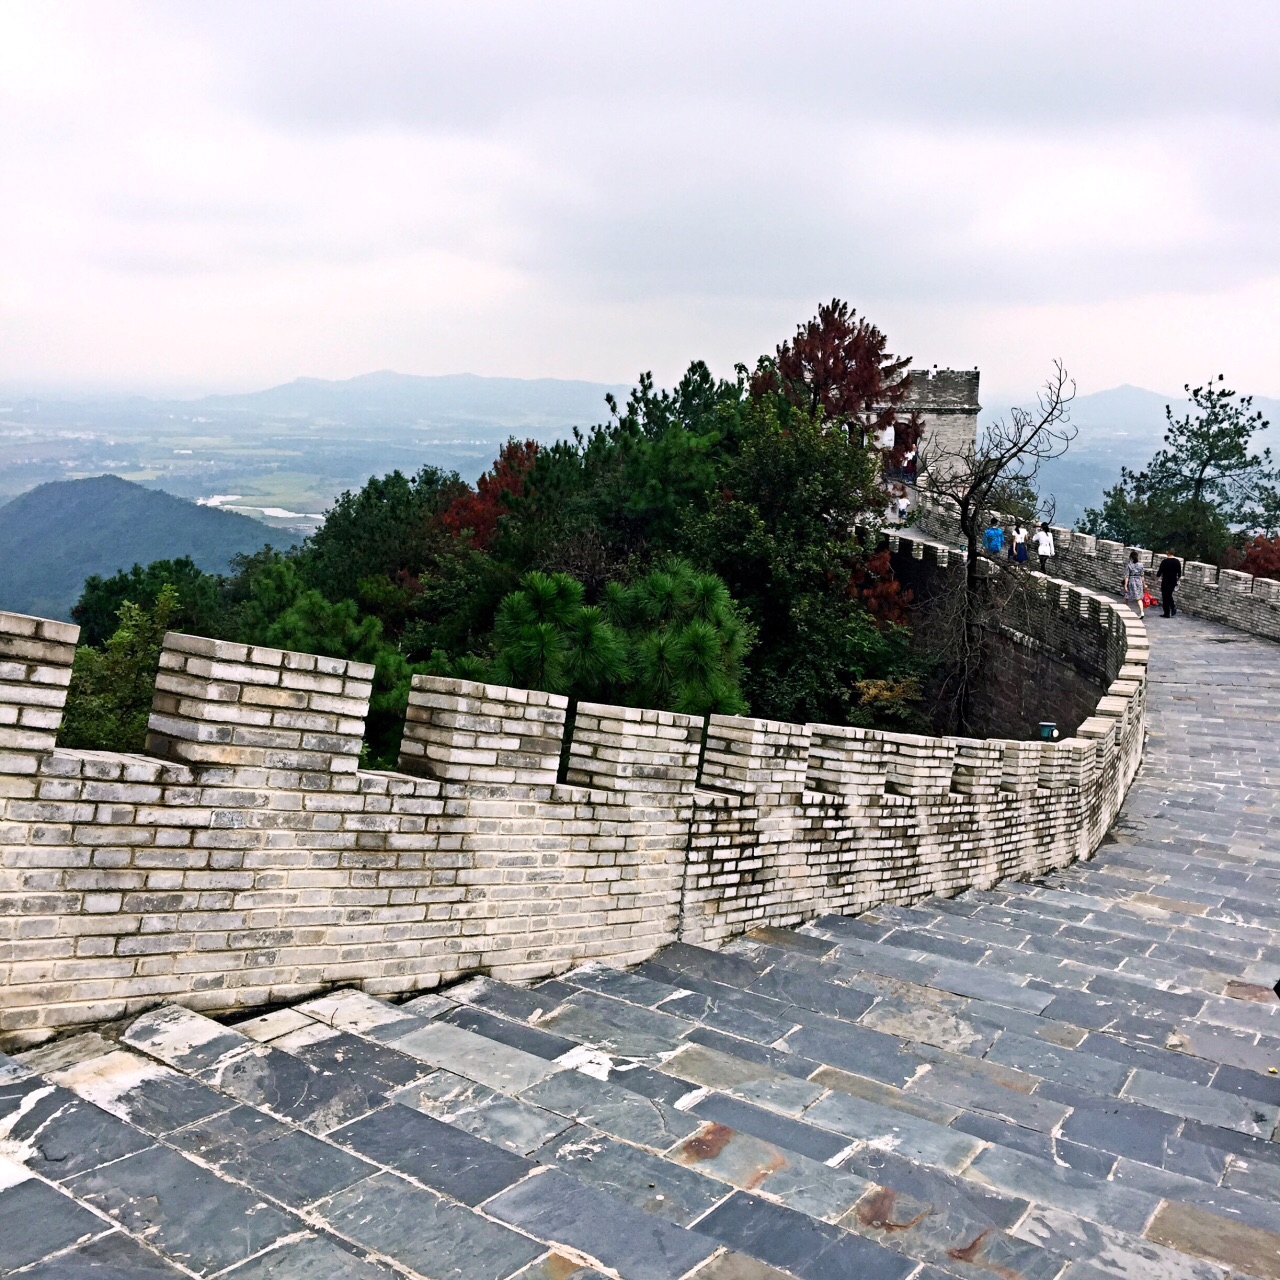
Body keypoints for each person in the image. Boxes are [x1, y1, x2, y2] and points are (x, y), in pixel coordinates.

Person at [1157, 551, 1182, 617]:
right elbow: (1179, 573)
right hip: (1173, 580)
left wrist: (1156, 580)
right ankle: (1172, 608)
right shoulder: (1177, 562)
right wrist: (1177, 580)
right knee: (1169, 594)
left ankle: (1167, 612)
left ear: (1168, 553)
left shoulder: (1164, 562)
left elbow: (1159, 572)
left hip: (1165, 580)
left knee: (1165, 596)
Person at [1123, 549, 1147, 618]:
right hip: (1138, 581)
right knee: (1139, 598)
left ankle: (1124, 611)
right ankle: (1142, 612)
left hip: (1131, 581)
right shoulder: (1141, 565)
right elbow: (1142, 576)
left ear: (1130, 557)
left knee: (1127, 596)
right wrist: (1144, 584)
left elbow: (1127, 576)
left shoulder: (1129, 565)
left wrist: (1125, 585)